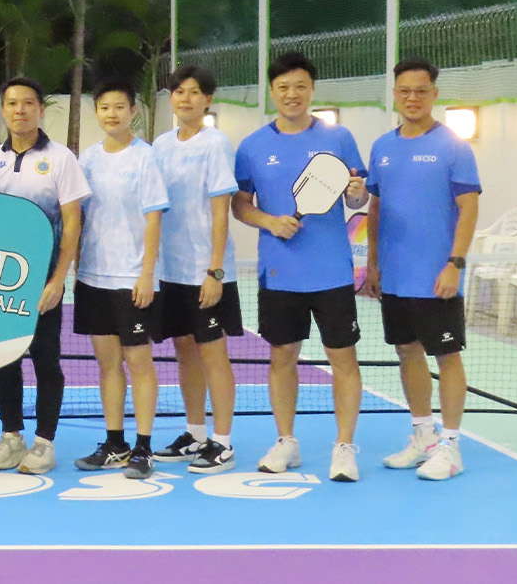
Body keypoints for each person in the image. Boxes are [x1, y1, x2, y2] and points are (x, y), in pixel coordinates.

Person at [233, 51, 368, 482]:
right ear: (271, 91)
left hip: (331, 271)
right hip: (280, 273)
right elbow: (240, 204)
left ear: (312, 89)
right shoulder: (252, 146)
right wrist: (270, 222)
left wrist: (356, 193)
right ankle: (286, 441)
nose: (292, 94)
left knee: (343, 359)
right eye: (283, 87)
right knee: (282, 358)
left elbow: (358, 197)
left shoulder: (339, 137)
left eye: (300, 86)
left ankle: (344, 447)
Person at [365, 58, 480, 481]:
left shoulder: (454, 146)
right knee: (407, 352)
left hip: (437, 276)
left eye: (421, 90)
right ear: (395, 94)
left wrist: (454, 264)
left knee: (446, 356)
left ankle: (451, 446)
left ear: (434, 94)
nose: (412, 98)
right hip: (394, 276)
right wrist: (372, 264)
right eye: (404, 91)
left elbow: (469, 209)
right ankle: (423, 437)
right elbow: (375, 209)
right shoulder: (382, 147)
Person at [0, 77, 87, 475]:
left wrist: (58, 279)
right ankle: (12, 437)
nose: (19, 110)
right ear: (3, 110)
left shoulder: (61, 159)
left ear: (41, 109)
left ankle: (44, 443)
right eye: (12, 103)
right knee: (4, 360)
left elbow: (72, 223)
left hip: (43, 280)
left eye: (28, 103)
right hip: (0, 281)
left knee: (45, 359)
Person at [71, 79, 170, 480]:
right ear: (96, 113)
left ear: (133, 112)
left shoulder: (145, 157)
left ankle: (143, 448)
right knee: (107, 363)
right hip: (93, 277)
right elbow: (78, 217)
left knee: (139, 361)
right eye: (104, 107)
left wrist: (147, 274)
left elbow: (154, 219)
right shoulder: (87, 160)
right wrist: (77, 265)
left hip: (132, 278)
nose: (111, 114)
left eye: (119, 107)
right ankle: (115, 443)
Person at [151, 66, 243, 474]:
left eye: (194, 92)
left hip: (207, 271)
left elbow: (221, 213)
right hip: (171, 270)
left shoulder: (216, 144)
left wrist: (215, 272)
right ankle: (195, 433)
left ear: (208, 100)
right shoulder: (160, 145)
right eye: (178, 92)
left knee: (213, 354)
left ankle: (222, 442)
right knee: (184, 350)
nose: (185, 99)